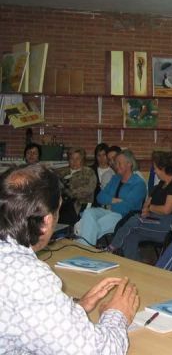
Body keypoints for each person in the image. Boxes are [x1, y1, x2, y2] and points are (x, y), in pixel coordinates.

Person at [0, 164, 139, 354]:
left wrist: (74, 309)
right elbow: (98, 351)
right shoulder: (27, 276)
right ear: (47, 221)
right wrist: (117, 313)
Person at [108, 151, 172, 261]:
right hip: (154, 221)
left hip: (170, 226)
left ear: (164, 168)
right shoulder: (160, 185)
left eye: (156, 168)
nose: (154, 171)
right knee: (130, 236)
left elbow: (166, 210)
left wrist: (150, 208)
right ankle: (135, 268)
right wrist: (146, 209)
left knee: (135, 220)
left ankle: (111, 249)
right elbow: (146, 204)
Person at [76, 149, 147, 246]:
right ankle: (86, 245)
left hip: (125, 216)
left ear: (129, 164)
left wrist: (110, 202)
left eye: (119, 163)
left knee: (91, 226)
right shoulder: (115, 179)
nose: (115, 165)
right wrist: (114, 200)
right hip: (108, 211)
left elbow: (126, 207)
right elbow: (99, 197)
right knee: (88, 212)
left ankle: (83, 247)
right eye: (115, 163)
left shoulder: (138, 184)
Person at [57, 147, 97, 226]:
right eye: (72, 158)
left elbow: (89, 189)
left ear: (82, 160)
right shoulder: (60, 172)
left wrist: (69, 192)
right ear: (68, 160)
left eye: (78, 158)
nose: (74, 161)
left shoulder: (89, 173)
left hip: (80, 204)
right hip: (60, 203)